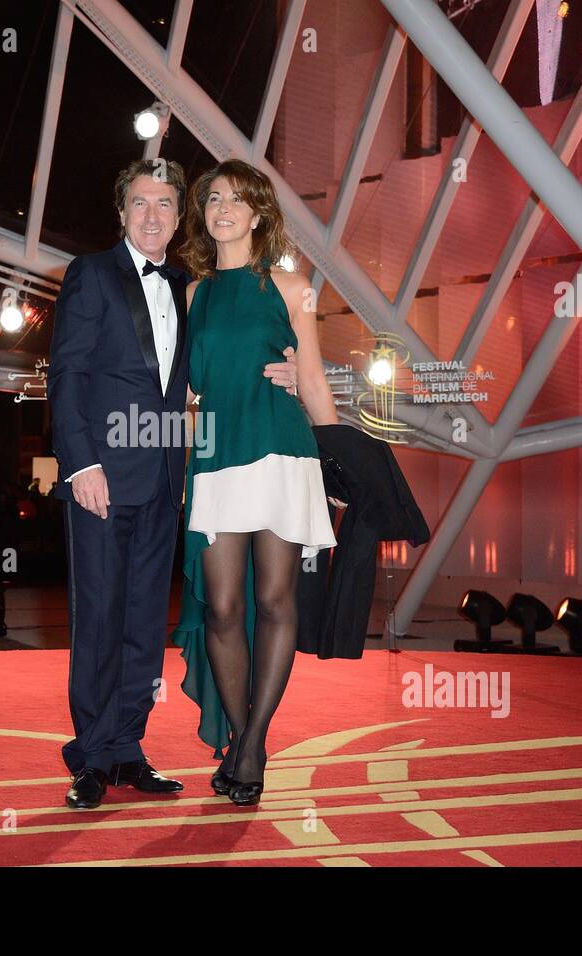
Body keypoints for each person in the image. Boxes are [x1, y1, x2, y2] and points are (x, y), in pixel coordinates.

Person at [48, 158, 299, 810]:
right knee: (98, 622)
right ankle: (92, 758)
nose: (154, 215)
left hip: (166, 482)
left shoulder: (194, 287)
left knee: (141, 627)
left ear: (178, 215)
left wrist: (293, 374)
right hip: (101, 481)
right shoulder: (91, 275)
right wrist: (80, 466)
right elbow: (67, 374)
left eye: (165, 203)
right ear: (122, 212)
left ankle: (129, 750)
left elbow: (218, 368)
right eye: (141, 203)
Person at [169, 159, 339, 806]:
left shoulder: (293, 287)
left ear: (260, 213)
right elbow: (188, 393)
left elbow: (316, 379)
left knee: (273, 601)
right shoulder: (196, 294)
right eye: (213, 198)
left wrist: (339, 463)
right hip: (216, 458)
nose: (223, 208)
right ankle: (245, 739)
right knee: (221, 608)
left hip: (280, 451)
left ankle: (252, 745)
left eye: (237, 199)